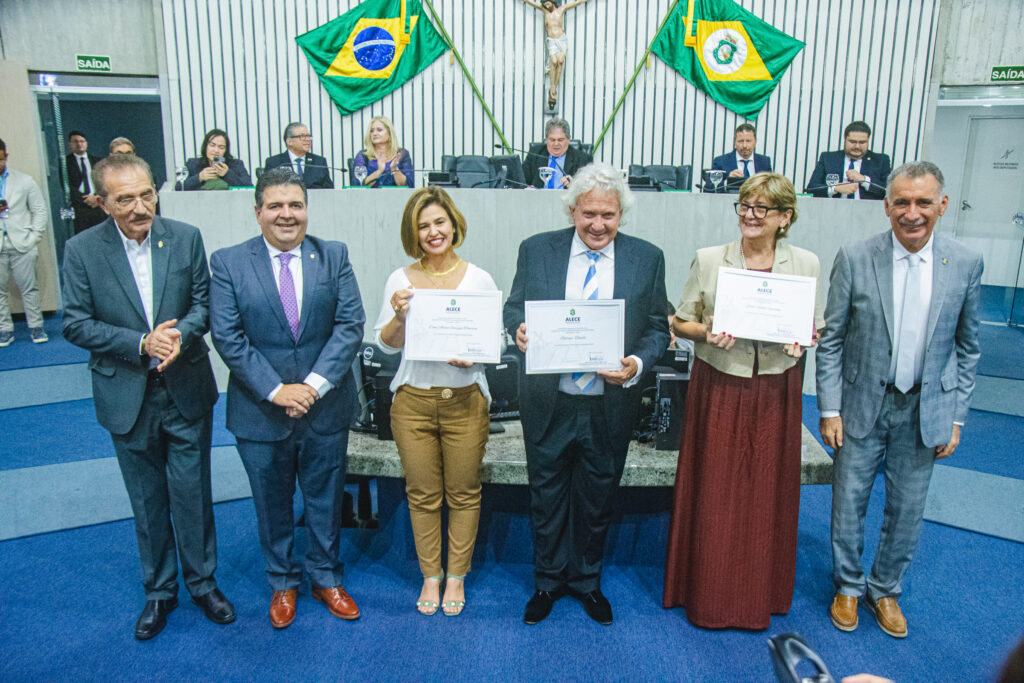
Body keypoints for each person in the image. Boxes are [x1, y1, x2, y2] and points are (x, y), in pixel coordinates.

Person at [61, 154, 234, 640]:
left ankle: (203, 584)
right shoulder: (81, 251)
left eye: (147, 194)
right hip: (126, 395)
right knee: (147, 499)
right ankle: (160, 591)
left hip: (185, 389)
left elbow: (204, 303)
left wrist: (180, 335)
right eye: (125, 199)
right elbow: (74, 322)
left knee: (193, 495)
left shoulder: (185, 237)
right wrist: (140, 344)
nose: (141, 207)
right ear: (100, 202)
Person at [816, 161, 982, 639]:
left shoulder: (966, 262)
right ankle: (848, 584)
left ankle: (884, 589)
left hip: (926, 410)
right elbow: (832, 340)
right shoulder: (855, 256)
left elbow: (968, 348)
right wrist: (829, 408)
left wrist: (957, 417)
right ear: (887, 206)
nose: (912, 213)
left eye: (923, 202)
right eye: (902, 202)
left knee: (907, 508)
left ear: (942, 206)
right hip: (860, 406)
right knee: (848, 501)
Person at [504, 162, 670, 626]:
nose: (598, 225)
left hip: (609, 403)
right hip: (548, 400)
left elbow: (658, 326)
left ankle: (586, 582)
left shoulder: (647, 257)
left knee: (598, 497)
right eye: (589, 213)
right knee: (546, 495)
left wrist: (636, 364)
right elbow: (514, 307)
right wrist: (516, 329)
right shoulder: (536, 250)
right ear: (573, 209)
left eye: (609, 215)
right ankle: (547, 582)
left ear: (622, 214)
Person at [662, 173, 825, 630]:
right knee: (714, 490)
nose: (751, 216)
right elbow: (680, 321)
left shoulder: (806, 263)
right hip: (720, 383)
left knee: (766, 492)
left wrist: (805, 338)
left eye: (763, 209)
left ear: (785, 218)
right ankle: (704, 593)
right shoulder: (711, 259)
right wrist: (706, 332)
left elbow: (814, 325)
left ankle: (761, 594)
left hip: (777, 386)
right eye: (745, 206)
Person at [209, 167, 365, 629]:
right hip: (260, 410)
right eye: (275, 205)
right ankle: (282, 582)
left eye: (295, 205)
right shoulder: (228, 262)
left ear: (306, 211)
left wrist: (312, 386)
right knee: (271, 503)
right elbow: (228, 335)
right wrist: (278, 391)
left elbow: (349, 325)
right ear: (257, 212)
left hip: (325, 406)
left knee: (325, 500)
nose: (286, 214)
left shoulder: (333, 256)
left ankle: (326, 577)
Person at [374, 186, 498, 617]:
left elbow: (493, 343)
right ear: (414, 233)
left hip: (465, 400)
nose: (433, 232)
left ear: (453, 224)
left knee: (463, 492)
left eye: (439, 222)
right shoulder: (399, 279)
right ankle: (431, 573)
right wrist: (399, 316)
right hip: (413, 403)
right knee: (422, 493)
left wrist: (476, 355)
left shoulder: (479, 278)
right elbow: (388, 346)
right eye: (423, 226)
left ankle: (457, 575)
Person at [0, 138, 49, 347]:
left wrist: (34, 237)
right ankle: (4, 330)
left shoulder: (24, 181)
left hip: (22, 243)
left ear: (6, 157)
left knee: (30, 289)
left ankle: (36, 327)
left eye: (0, 159)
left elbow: (39, 210)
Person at [522, 0, 593, 109]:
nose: (546, 5)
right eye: (544, 3)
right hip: (552, 40)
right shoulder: (544, 11)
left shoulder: (562, 9)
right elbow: (530, 2)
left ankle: (555, 87)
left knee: (560, 62)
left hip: (562, 39)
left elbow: (577, 3)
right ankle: (552, 86)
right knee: (553, 62)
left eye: (547, 3)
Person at [807, 121, 891, 199]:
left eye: (862, 142)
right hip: (833, 210)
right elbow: (811, 189)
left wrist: (864, 180)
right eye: (852, 141)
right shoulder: (828, 158)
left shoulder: (881, 161)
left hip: (869, 211)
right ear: (845, 139)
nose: (857, 146)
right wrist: (835, 188)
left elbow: (889, 191)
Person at [522, 118, 592, 189]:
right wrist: (527, 188)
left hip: (566, 199)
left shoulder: (582, 159)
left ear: (568, 139)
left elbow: (588, 188)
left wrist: (574, 185)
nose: (556, 144)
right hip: (538, 199)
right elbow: (521, 181)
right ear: (546, 139)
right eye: (552, 140)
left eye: (560, 140)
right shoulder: (535, 154)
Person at [264, 122, 334, 189]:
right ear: (289, 141)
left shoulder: (319, 162)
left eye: (308, 136)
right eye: (302, 136)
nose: (308, 140)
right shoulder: (274, 162)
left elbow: (329, 189)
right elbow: (266, 189)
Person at [707, 123, 772, 193]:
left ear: (755, 141)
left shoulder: (764, 162)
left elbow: (772, 187)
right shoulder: (721, 161)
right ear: (735, 142)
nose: (744, 145)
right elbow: (708, 188)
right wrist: (728, 182)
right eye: (740, 141)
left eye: (748, 141)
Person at [350, 116, 414, 188]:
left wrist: (394, 169)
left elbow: (409, 186)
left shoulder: (402, 154)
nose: (374, 134)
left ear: (389, 134)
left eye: (379, 130)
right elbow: (357, 185)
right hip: (369, 198)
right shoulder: (363, 155)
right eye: (372, 131)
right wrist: (379, 171)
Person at [181, 128, 251, 190]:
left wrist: (227, 174)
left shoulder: (236, 164)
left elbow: (249, 188)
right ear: (205, 147)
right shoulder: (193, 164)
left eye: (221, 147)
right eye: (212, 145)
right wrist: (199, 177)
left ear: (226, 150)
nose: (216, 150)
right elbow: (179, 187)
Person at [66, 130, 106, 233]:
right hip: (80, 208)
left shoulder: (97, 161)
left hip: (98, 205)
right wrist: (85, 199)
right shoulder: (66, 163)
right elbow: (67, 185)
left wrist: (96, 197)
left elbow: (104, 181)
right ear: (70, 144)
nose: (79, 144)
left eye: (82, 141)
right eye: (75, 141)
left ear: (86, 143)